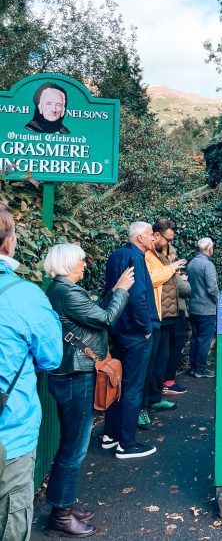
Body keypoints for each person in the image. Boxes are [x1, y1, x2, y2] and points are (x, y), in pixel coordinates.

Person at [43, 243, 134, 537]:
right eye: (82, 260)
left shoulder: (63, 291)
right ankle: (61, 515)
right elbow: (106, 318)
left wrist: (114, 293)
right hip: (76, 376)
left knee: (71, 445)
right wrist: (120, 289)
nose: (85, 264)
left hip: (72, 374)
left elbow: (96, 313)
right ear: (69, 263)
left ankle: (63, 505)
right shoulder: (67, 292)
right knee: (75, 447)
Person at [0, 204, 62, 541]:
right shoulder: (24, 297)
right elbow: (51, 357)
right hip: (9, 435)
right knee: (10, 521)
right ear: (9, 242)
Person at [102, 221, 159, 459]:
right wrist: (145, 327)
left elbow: (111, 290)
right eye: (149, 235)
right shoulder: (136, 258)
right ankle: (127, 443)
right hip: (136, 334)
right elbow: (137, 297)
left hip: (118, 330)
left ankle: (110, 435)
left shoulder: (116, 255)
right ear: (139, 239)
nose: (153, 239)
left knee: (116, 382)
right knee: (133, 386)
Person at [139, 219, 187, 431]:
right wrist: (171, 268)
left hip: (169, 316)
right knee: (148, 365)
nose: (169, 243)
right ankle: (142, 407)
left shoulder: (162, 254)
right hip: (156, 317)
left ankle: (155, 397)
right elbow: (151, 280)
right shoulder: (147, 256)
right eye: (167, 239)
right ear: (156, 235)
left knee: (162, 362)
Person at [186, 238, 218, 378]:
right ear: (209, 249)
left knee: (195, 338)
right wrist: (219, 301)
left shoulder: (192, 263)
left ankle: (193, 367)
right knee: (204, 340)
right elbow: (212, 288)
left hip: (193, 308)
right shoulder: (208, 265)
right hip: (206, 309)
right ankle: (200, 370)